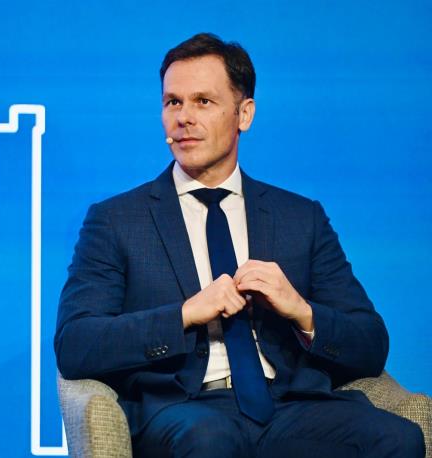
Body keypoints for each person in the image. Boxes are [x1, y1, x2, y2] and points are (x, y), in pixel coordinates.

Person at [54, 33, 425, 457]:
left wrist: (300, 310)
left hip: (288, 404)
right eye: (173, 102)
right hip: (183, 408)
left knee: (398, 438)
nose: (183, 118)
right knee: (212, 439)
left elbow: (371, 344)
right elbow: (76, 344)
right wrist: (185, 314)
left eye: (203, 101)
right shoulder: (117, 220)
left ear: (244, 114)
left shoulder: (299, 218)